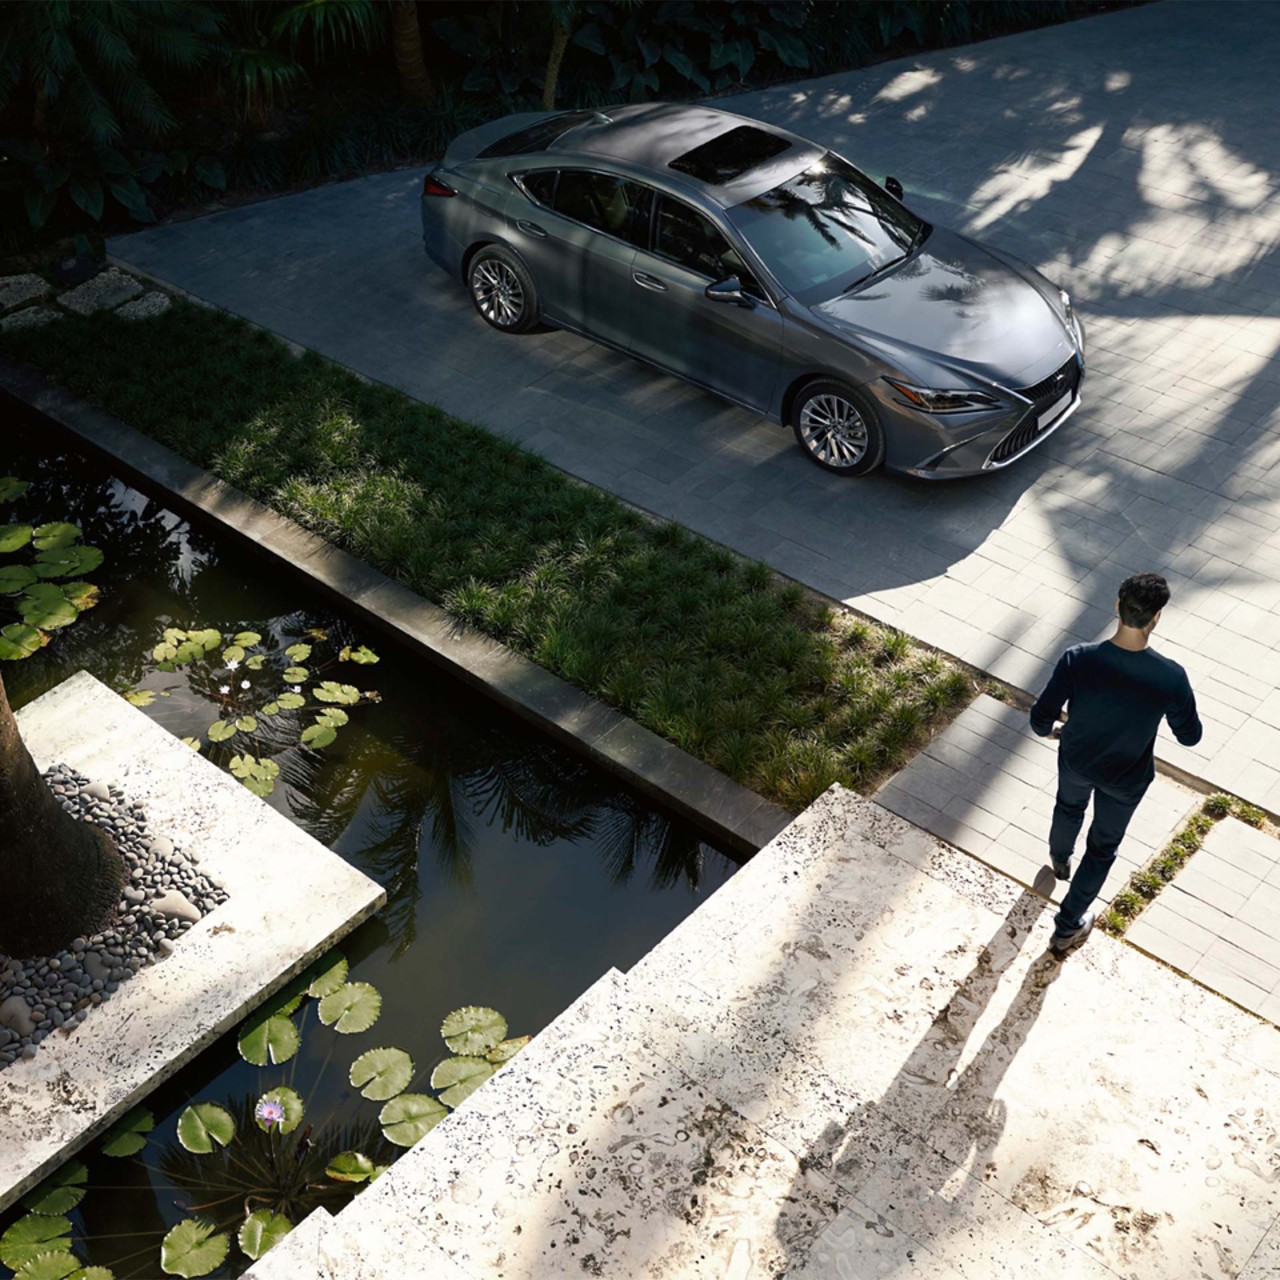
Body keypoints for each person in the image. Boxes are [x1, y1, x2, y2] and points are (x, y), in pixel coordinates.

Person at [1030, 572, 1202, 955]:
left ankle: (1059, 860)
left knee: (1068, 807)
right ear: (1157, 617)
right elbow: (1190, 736)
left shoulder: (1078, 658)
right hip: (1126, 779)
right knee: (1103, 848)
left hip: (1075, 760)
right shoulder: (1170, 677)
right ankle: (1066, 927)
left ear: (1117, 607)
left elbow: (1040, 717)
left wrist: (1053, 730)